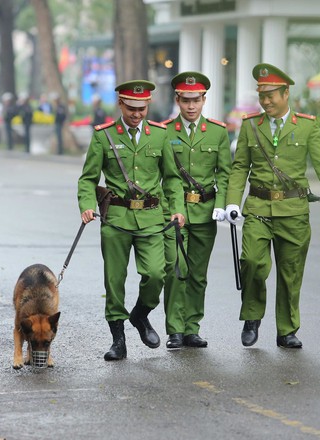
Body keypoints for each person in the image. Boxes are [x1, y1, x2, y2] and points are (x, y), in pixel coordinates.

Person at [225, 63, 320, 349]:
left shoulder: (307, 126)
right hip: (258, 208)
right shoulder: (251, 125)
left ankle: (287, 330)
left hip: (293, 211)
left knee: (290, 272)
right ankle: (252, 316)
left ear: (286, 93)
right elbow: (240, 167)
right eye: (262, 96)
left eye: (271, 96)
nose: (266, 102)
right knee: (252, 262)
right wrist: (232, 202)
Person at [77, 80, 186, 361]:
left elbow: (172, 178)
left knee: (155, 273)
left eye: (142, 108)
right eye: (131, 108)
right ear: (120, 104)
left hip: (151, 218)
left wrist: (177, 208)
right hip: (115, 219)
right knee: (114, 280)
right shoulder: (104, 136)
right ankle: (118, 339)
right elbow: (88, 179)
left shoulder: (160, 136)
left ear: (148, 105)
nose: (137, 114)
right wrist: (87, 206)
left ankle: (140, 313)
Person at [161, 71, 231, 349]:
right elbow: (163, 175)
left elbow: (225, 173)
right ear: (177, 99)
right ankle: (175, 329)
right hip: (174, 213)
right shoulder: (164, 131)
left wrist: (223, 205)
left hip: (205, 212)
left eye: (196, 100)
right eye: (186, 100)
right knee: (175, 269)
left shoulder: (217, 131)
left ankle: (192, 328)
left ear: (204, 100)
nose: (191, 106)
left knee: (198, 274)